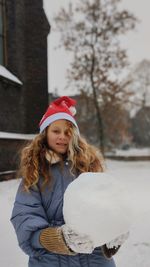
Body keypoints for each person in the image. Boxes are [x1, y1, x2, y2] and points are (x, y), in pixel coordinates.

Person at [11, 96, 127, 267]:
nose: (62, 137)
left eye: (68, 132)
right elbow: (25, 219)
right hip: (50, 261)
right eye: (56, 131)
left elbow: (107, 207)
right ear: (45, 133)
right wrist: (56, 239)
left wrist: (113, 229)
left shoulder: (89, 166)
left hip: (95, 260)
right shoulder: (35, 173)